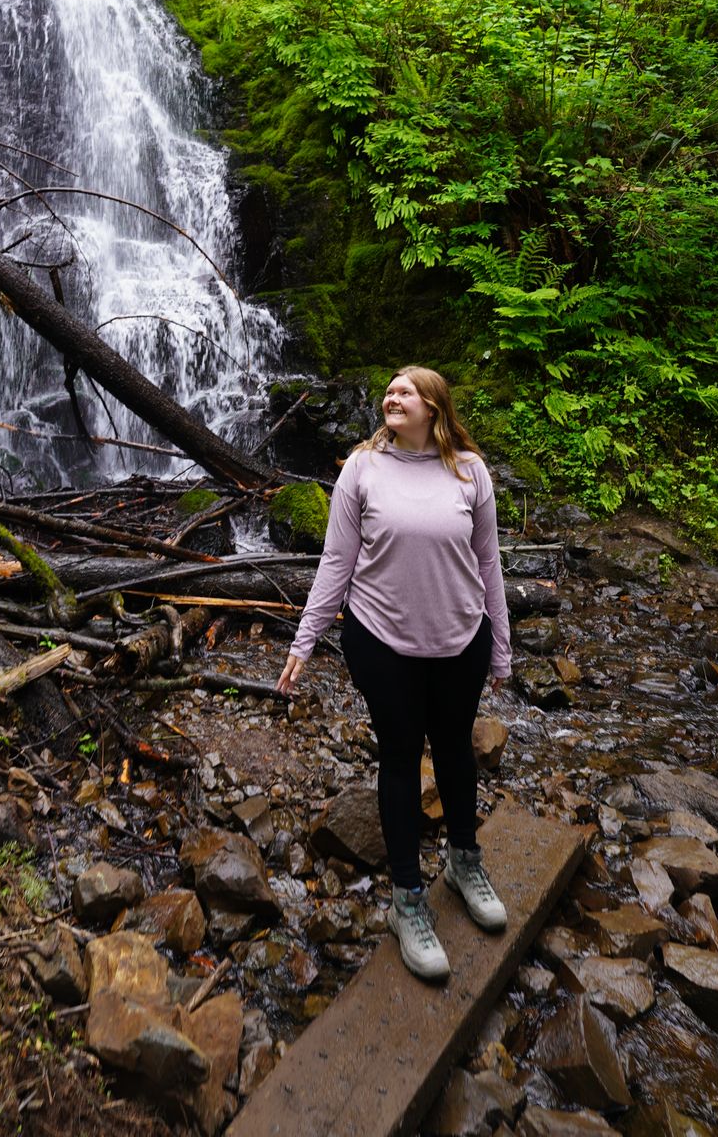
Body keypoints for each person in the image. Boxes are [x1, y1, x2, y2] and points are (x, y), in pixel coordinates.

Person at [276, 365, 511, 982]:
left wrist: (503, 647)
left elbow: (489, 564)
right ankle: (408, 899)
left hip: (461, 639)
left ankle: (464, 862)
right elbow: (336, 560)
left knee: (455, 750)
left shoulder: (471, 472)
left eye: (407, 389)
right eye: (389, 389)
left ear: (434, 406)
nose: (392, 395)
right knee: (401, 757)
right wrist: (306, 638)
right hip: (381, 641)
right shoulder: (362, 469)